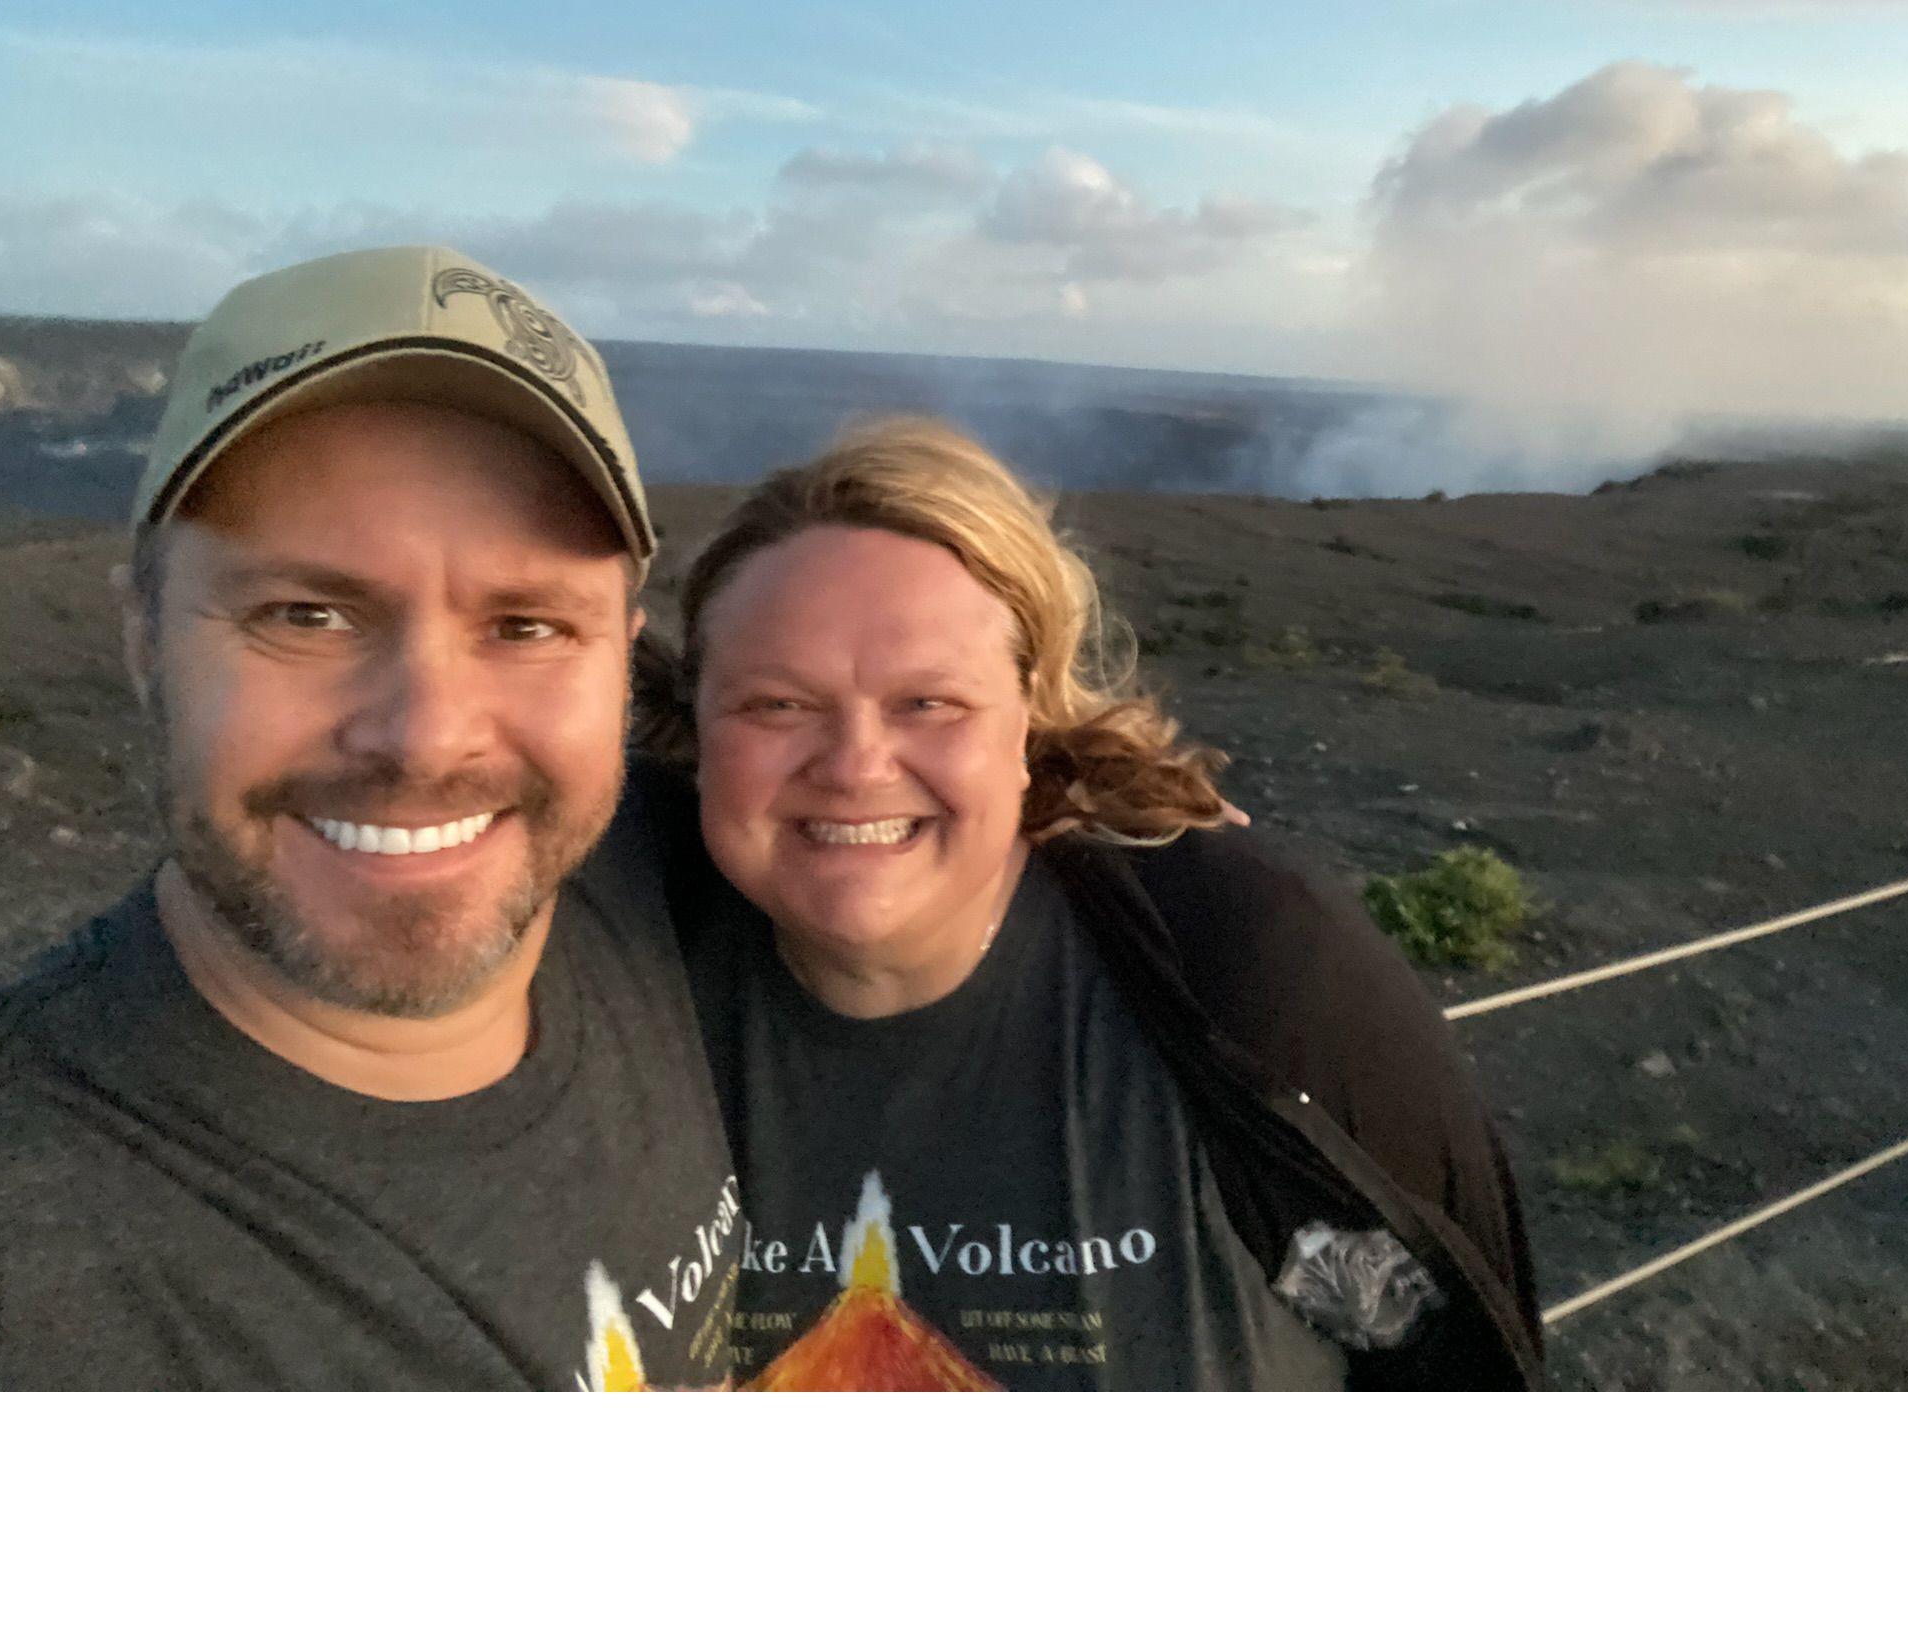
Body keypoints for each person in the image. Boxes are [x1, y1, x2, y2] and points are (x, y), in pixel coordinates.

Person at [621, 417, 1543, 1390]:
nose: (853, 766)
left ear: (1029, 721)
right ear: (697, 727)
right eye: (776, 703)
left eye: (929, 702)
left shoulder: (1249, 970)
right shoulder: (600, 958)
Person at [0, 246, 739, 1391]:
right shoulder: (26, 1258)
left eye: (528, 625)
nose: (427, 736)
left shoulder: (669, 882)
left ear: (622, 663)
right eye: (308, 613)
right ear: (145, 642)